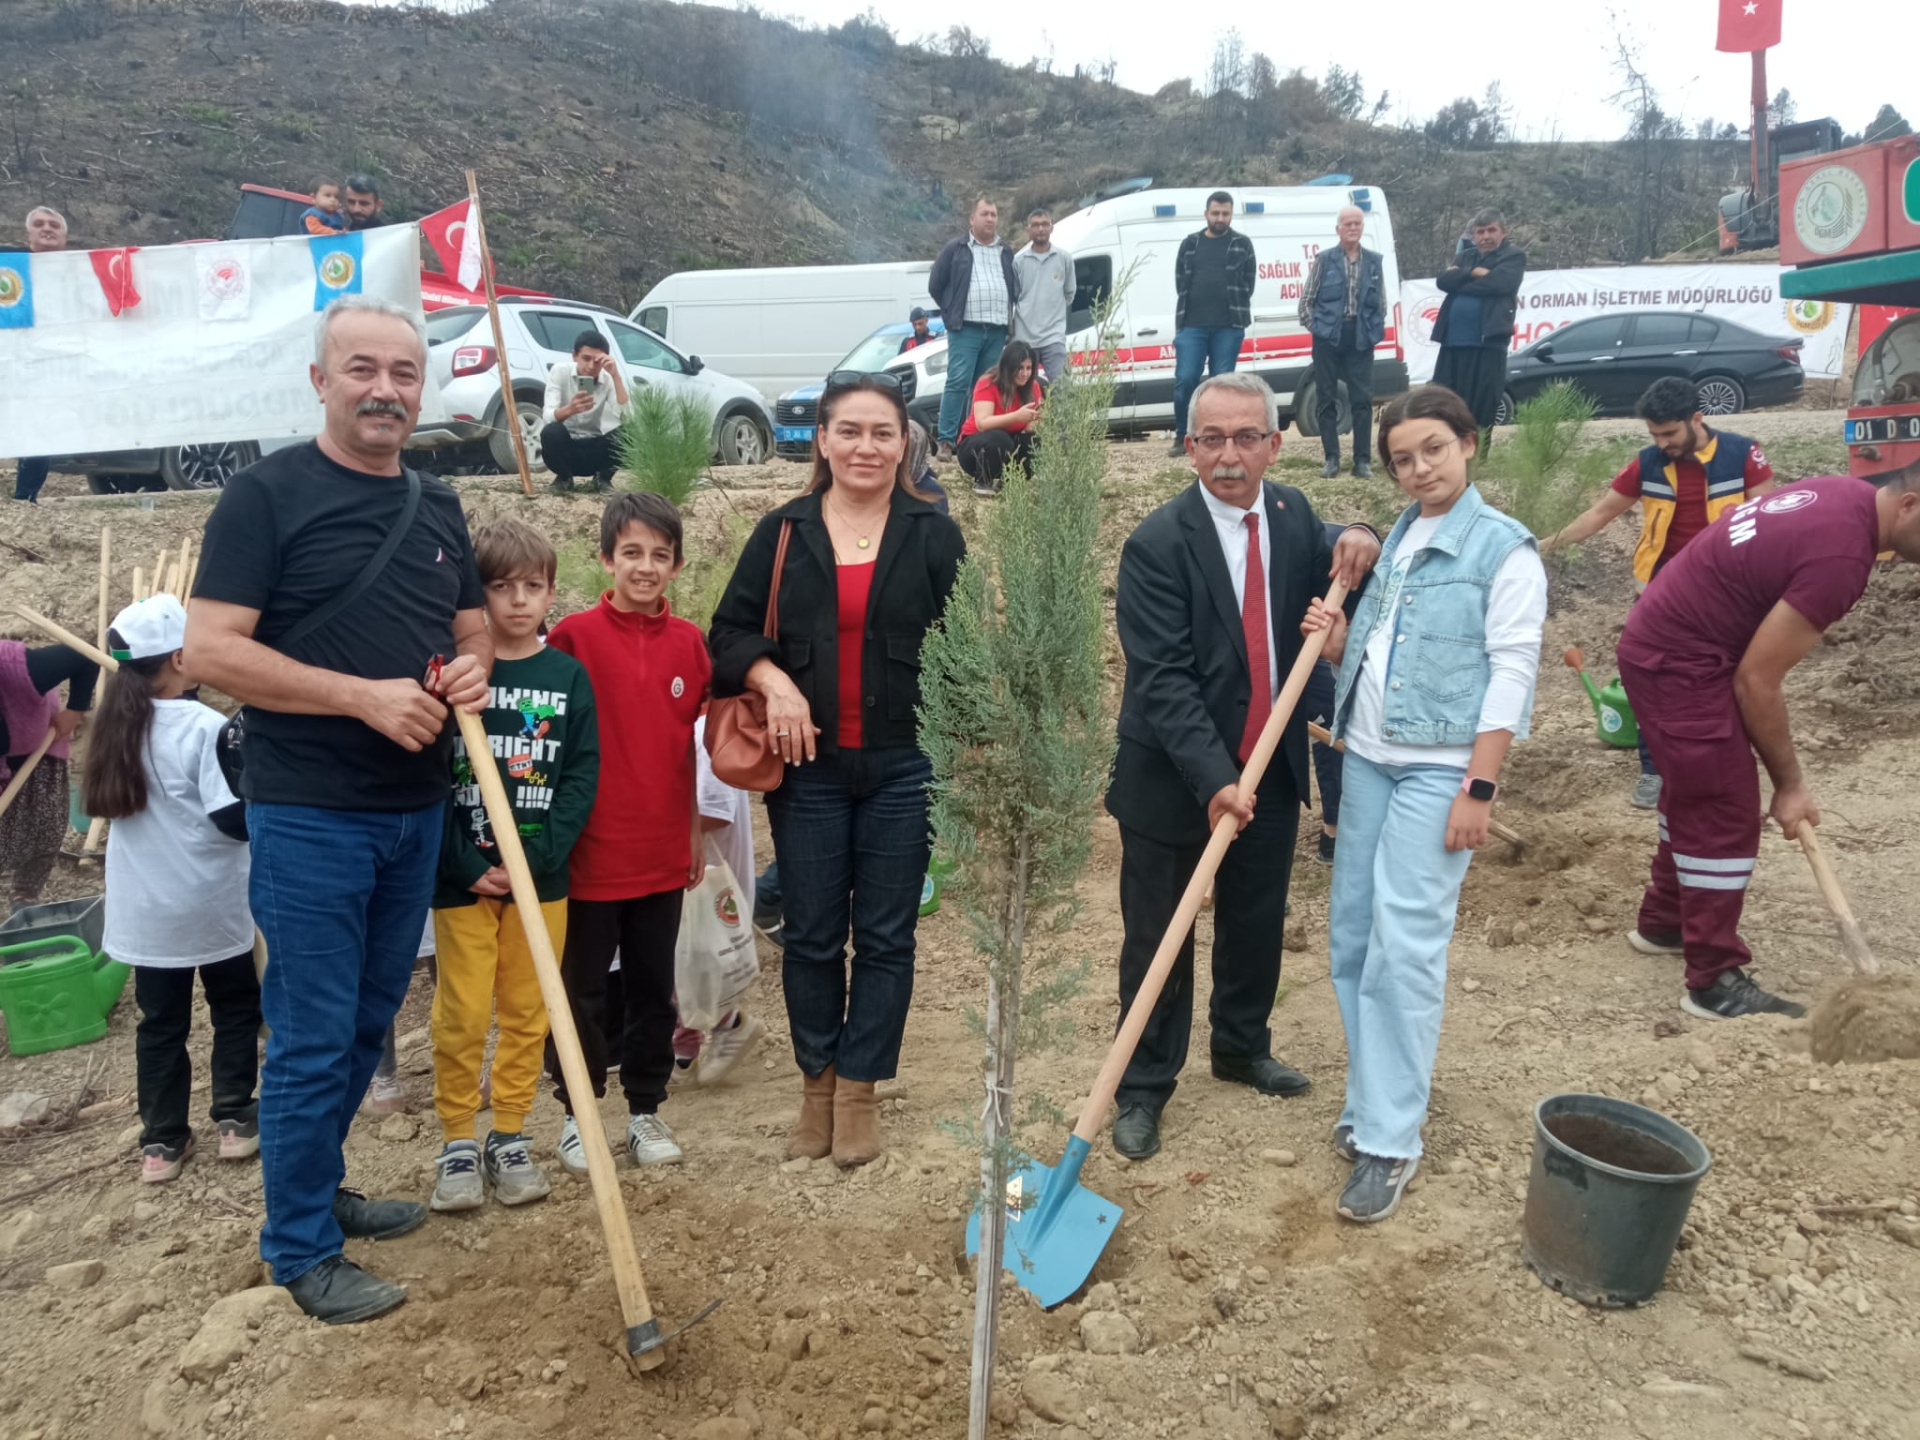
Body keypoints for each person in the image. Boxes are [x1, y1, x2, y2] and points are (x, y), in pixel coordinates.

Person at [185, 294, 493, 1326]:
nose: (384, 390)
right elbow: (210, 651)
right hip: (311, 811)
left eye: (404, 374)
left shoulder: (437, 505)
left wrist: (474, 670)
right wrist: (361, 697)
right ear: (321, 381)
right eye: (362, 369)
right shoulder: (264, 497)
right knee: (313, 1034)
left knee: (365, 1022)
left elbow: (471, 631)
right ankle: (300, 1248)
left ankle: (318, 1190)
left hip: (415, 808)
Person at [1106, 373, 1380, 1161]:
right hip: (1174, 777)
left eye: (1246, 438)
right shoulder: (1157, 544)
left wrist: (1364, 529)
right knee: (1159, 934)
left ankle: (1240, 1046)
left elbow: (1347, 552)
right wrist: (1216, 779)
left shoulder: (1292, 516)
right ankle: (1144, 1085)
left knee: (1255, 918)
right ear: (1190, 446)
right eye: (1213, 439)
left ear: (1273, 444)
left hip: (1272, 768)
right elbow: (1163, 681)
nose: (1229, 456)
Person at [708, 373, 965, 1168]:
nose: (865, 447)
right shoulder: (781, 533)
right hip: (807, 771)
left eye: (882, 432)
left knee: (886, 937)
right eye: (848, 430)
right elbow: (727, 635)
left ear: (904, 443)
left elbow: (966, 652)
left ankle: (858, 1090)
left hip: (905, 768)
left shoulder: (933, 535)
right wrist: (774, 681)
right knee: (814, 937)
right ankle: (815, 1088)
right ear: (821, 440)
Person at [1303, 385, 1546, 1223]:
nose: (1420, 469)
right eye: (1403, 459)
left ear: (1468, 443)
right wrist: (1339, 643)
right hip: (1369, 759)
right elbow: (1390, 653)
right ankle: (1371, 1097)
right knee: (1352, 936)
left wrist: (1479, 785)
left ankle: (1391, 1140)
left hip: (1440, 771)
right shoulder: (1402, 535)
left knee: (1404, 949)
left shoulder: (1504, 550)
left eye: (1434, 449)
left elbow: (1511, 671)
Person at [1618, 460, 1920, 1020]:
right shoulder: (1842, 560)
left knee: (1696, 789)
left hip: (1664, 643)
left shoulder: (1842, 494)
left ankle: (1665, 923)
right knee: (1723, 807)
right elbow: (1756, 682)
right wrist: (1790, 785)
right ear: (1908, 505)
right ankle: (1713, 981)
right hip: (1680, 660)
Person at [429, 519, 599, 1213]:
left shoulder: (566, 677)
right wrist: (464, 861)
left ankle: (509, 1134)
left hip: (541, 879)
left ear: (552, 592)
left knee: (530, 1009)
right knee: (464, 1012)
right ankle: (456, 1140)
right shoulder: (453, 677)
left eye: (533, 586)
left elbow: (581, 775)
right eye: (501, 587)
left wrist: (536, 858)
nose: (519, 601)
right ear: (478, 596)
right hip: (461, 882)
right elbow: (429, 780)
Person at [545, 492, 708, 1171]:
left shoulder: (690, 644)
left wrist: (693, 832)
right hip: (589, 853)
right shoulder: (572, 639)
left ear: (676, 566)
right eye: (632, 553)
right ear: (606, 559)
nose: (645, 567)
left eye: (660, 556)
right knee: (580, 991)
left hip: (662, 849)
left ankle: (645, 1110)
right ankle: (577, 1114)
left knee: (651, 988)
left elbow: (688, 747)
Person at [82, 595, 261, 1184]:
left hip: (146, 909)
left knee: (160, 1023)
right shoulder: (204, 727)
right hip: (209, 900)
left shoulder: (113, 728)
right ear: (182, 659)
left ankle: (161, 1142)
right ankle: (234, 1117)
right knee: (235, 1006)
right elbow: (229, 819)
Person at [1544, 377, 1775, 809]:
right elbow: (1601, 513)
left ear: (1697, 418)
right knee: (1650, 679)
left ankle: (1727, 766)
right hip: (1661, 590)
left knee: (1727, 679)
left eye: (1669, 433)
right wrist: (1543, 544)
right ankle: (1654, 770)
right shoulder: (1648, 462)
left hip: (1728, 589)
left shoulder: (1742, 453)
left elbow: (1770, 518)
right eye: (1654, 434)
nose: (1662, 443)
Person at [671, 711, 767, 1086]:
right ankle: (684, 1055)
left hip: (705, 879)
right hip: (698, 878)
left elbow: (714, 812)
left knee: (688, 967)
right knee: (684, 968)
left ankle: (730, 1025)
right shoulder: (693, 728)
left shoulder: (705, 732)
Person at [0, 638, 96, 909]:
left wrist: (74, 712)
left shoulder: (21, 669)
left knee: (45, 822)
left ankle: (25, 893)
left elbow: (85, 657)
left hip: (36, 742)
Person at [1299, 206, 1387, 479]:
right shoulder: (1324, 260)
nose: (1353, 228)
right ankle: (1332, 459)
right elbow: (1306, 302)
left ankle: (1362, 461)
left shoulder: (1373, 261)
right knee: (1326, 398)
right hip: (1328, 338)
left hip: (1360, 337)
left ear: (1363, 227)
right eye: (1347, 223)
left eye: (1357, 223)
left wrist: (1372, 330)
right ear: (1338, 229)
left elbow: (1381, 304)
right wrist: (1318, 330)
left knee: (1362, 400)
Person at [1168, 192, 1258, 458]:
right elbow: (1180, 282)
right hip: (1191, 325)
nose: (1220, 218)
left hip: (1228, 327)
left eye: (1225, 213)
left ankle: (1217, 437)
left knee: (1222, 384)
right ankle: (1183, 435)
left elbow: (1248, 284)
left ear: (1231, 214)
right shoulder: (1190, 244)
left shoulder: (1242, 244)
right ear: (1206, 214)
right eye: (1216, 213)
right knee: (1186, 379)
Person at [930, 197, 1020, 457]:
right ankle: (947, 441)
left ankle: (972, 438)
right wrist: (951, 312)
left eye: (993, 214)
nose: (990, 219)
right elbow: (936, 285)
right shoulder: (955, 249)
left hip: (997, 329)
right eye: (984, 214)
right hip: (965, 328)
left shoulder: (1005, 251)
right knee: (958, 381)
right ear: (972, 219)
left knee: (985, 386)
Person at [1431, 211, 1525, 433]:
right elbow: (1443, 281)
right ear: (1474, 235)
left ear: (1503, 232)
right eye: (1480, 232)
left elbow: (1499, 284)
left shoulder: (1513, 256)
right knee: (1446, 408)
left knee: (1481, 412)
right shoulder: (1466, 257)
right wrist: (1474, 271)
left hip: (1488, 345)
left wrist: (1460, 280)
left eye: (1491, 230)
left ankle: (1479, 454)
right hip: (1452, 344)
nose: (1486, 236)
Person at [12, 207, 69, 504]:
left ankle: (26, 498)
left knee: (40, 431)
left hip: (55, 367)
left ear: (65, 237)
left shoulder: (81, 270)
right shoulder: (10, 267)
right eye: (39, 224)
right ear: (28, 234)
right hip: (13, 361)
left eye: (54, 225)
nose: (47, 229)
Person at [541, 331, 631, 494]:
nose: (591, 367)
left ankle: (602, 478)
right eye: (586, 359)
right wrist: (570, 409)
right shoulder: (560, 371)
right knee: (551, 431)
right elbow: (548, 416)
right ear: (575, 356)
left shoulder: (608, 379)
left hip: (593, 450)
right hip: (565, 449)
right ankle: (564, 478)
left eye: (597, 361)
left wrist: (616, 376)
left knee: (631, 432)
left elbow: (628, 418)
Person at [956, 339, 1041, 496]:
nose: (1025, 373)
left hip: (1009, 442)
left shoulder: (1033, 387)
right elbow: (982, 423)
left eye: (1028, 368)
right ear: (1008, 367)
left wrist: (1038, 422)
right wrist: (1016, 416)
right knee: (1000, 438)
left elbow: (1031, 427)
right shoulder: (988, 382)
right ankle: (983, 480)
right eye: (1020, 368)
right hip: (976, 445)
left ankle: (1012, 482)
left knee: (1035, 443)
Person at [1013, 208, 1075, 386]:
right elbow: (1015, 297)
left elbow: (1069, 293)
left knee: (1063, 389)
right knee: (1024, 389)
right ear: (1028, 230)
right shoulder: (1018, 261)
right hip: (1025, 339)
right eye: (1035, 225)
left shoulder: (1064, 258)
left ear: (1051, 228)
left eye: (1044, 224)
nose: (1040, 229)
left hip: (1053, 337)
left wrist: (1053, 311)